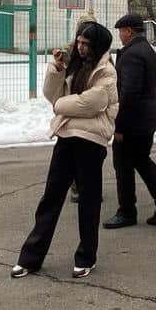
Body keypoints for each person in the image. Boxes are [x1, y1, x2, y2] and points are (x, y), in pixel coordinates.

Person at [13, 22, 118, 279]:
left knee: (88, 202)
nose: (81, 48)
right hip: (66, 136)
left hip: (91, 141)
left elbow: (91, 103)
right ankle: (30, 258)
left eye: (86, 44)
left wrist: (61, 105)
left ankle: (86, 257)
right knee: (51, 197)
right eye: (79, 42)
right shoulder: (75, 65)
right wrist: (57, 68)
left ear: (98, 46)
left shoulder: (107, 71)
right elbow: (52, 94)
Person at [104, 12, 156, 229]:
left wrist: (120, 127)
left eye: (121, 32)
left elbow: (129, 93)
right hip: (146, 120)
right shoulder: (147, 50)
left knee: (123, 165)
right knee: (143, 162)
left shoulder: (132, 54)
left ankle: (127, 212)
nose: (120, 36)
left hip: (133, 124)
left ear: (129, 31)